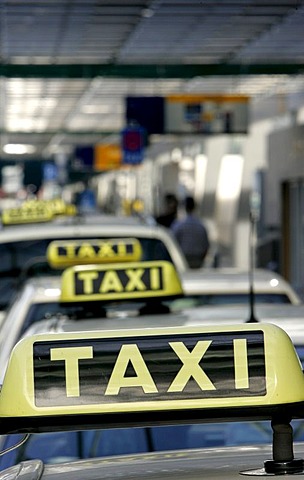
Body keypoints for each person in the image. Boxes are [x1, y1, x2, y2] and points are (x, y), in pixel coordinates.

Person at [172, 196, 209, 269]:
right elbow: (206, 245)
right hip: (198, 260)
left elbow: (173, 242)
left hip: (182, 259)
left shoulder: (178, 225)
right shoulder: (201, 225)